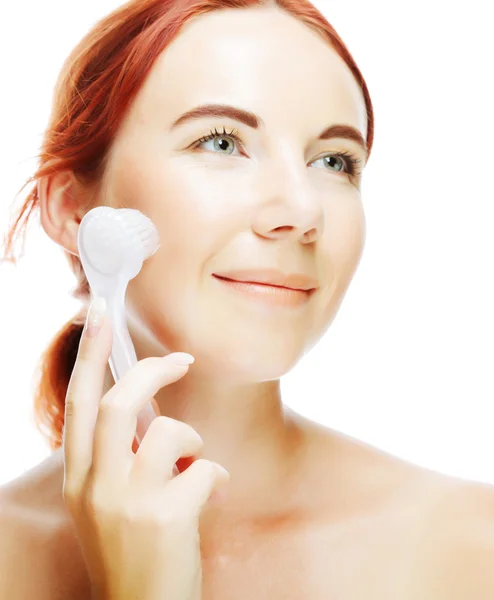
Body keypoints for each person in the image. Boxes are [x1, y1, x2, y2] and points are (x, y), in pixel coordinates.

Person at [1, 0, 493, 598]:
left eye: (334, 161)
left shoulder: (470, 546)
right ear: (70, 208)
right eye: (221, 142)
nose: (301, 211)